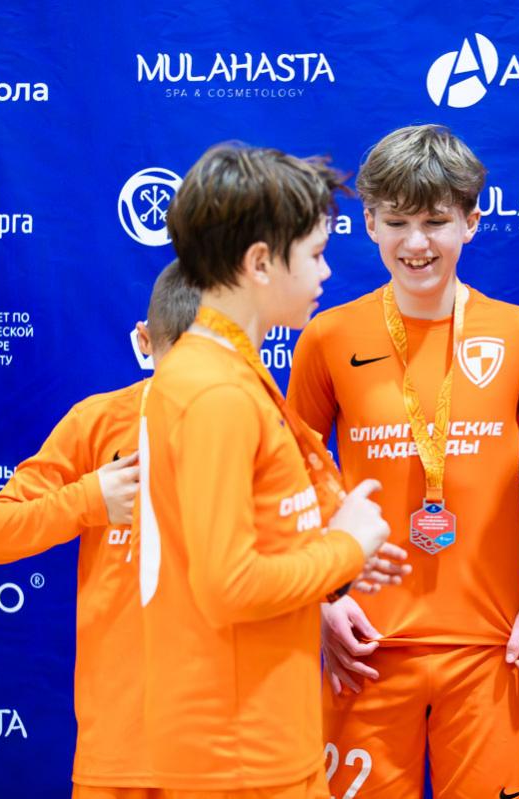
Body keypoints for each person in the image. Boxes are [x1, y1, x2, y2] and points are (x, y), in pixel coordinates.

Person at [288, 124, 519, 797]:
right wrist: (321, 599)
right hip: (363, 646)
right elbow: (289, 480)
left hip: (493, 649)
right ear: (368, 223)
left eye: (435, 222)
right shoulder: (328, 337)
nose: (415, 243)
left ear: (471, 222)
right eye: (396, 222)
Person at [136, 143, 399, 798]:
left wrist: (334, 557)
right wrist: (345, 548)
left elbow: (251, 543)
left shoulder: (221, 372)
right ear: (259, 263)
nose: (327, 272)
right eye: (315, 254)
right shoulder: (215, 391)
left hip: (260, 732)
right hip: (236, 753)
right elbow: (228, 584)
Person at [0, 261, 199, 798]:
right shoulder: (96, 423)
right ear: (145, 342)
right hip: (117, 755)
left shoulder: (265, 430)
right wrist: (90, 499)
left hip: (228, 758)